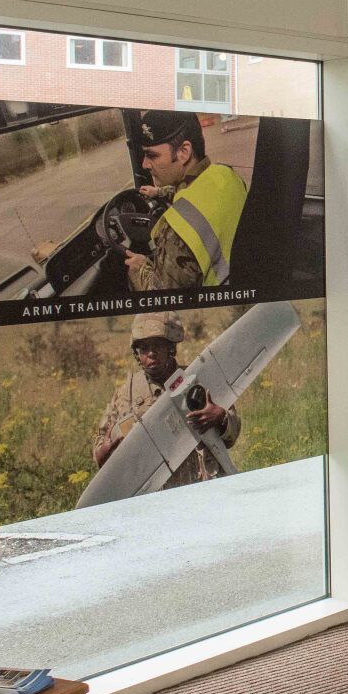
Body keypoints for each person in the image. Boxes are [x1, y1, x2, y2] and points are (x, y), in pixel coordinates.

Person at [92, 312, 239, 488]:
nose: (151, 353)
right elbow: (101, 445)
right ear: (137, 353)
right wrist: (106, 450)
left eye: (158, 346)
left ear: (170, 348)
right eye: (144, 348)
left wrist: (221, 417)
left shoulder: (196, 379)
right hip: (155, 494)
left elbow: (233, 434)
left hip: (203, 485)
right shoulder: (126, 394)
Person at [124, 110, 250, 292]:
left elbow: (164, 301)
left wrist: (140, 269)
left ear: (184, 152)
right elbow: (192, 189)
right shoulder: (225, 174)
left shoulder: (177, 231)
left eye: (152, 155)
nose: (144, 164)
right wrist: (158, 192)